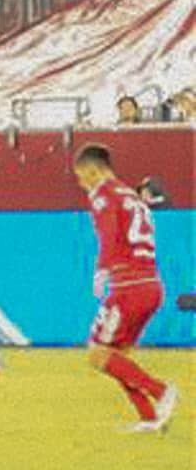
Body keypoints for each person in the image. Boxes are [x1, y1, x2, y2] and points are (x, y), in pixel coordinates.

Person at [73, 143, 178, 430]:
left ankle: (161, 392)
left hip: (128, 287)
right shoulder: (131, 195)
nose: (82, 184)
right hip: (150, 285)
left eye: (81, 177)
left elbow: (109, 232)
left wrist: (102, 269)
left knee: (97, 353)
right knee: (116, 356)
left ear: (92, 170)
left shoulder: (103, 194)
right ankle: (149, 417)